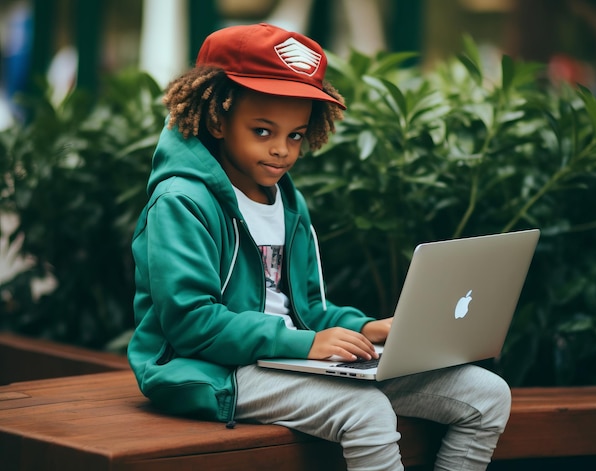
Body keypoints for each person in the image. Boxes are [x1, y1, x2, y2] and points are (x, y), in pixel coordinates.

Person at [127, 23, 511, 471]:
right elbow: (190, 323)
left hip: (291, 359)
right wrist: (303, 345)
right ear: (217, 117)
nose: (282, 152)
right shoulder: (182, 201)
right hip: (211, 369)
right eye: (263, 131)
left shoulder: (287, 201)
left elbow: (309, 309)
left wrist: (368, 330)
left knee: (487, 395)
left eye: (295, 135)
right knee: (365, 411)